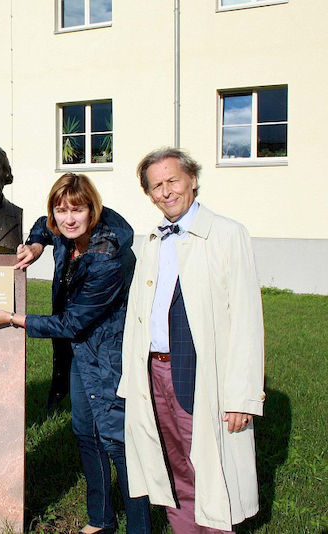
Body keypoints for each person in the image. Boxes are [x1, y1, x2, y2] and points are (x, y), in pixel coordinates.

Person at [0, 173, 151, 534]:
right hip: (80, 354)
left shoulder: (107, 259)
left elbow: (72, 322)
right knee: (86, 433)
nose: (69, 219)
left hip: (109, 355)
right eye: (62, 210)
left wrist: (13, 318)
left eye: (77, 210)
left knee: (118, 442)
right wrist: (36, 245)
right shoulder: (62, 231)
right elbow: (44, 224)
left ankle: (140, 527)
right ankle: (101, 519)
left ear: (92, 210)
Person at [117, 147, 265, 533]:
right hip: (155, 373)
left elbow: (247, 320)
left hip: (201, 374)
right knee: (171, 466)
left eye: (173, 181)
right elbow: (137, 318)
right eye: (156, 186)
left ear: (193, 180)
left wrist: (242, 396)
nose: (166, 192)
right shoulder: (153, 240)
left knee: (210, 468)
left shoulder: (227, 234)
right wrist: (133, 380)